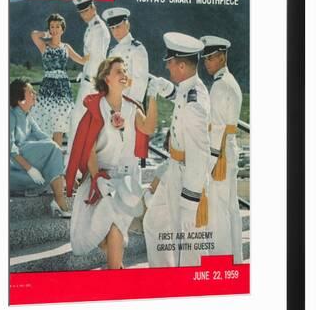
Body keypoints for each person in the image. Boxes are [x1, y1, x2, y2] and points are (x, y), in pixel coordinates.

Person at [65, 57, 158, 269]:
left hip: (126, 178)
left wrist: (152, 97)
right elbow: (88, 148)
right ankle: (116, 269)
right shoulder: (96, 107)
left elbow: (148, 128)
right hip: (100, 177)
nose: (124, 74)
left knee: (115, 225)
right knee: (103, 232)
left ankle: (114, 272)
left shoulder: (133, 108)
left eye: (126, 70)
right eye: (119, 71)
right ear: (106, 77)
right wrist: (97, 177)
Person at [143, 32, 211, 267]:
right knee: (153, 223)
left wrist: (191, 198)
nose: (168, 68)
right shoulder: (187, 88)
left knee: (187, 245)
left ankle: (187, 290)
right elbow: (180, 99)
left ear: (182, 65)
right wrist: (168, 90)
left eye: (170, 64)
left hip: (185, 178)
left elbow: (200, 153)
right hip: (173, 169)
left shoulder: (195, 103)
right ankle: (164, 280)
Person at [201, 35, 243, 263]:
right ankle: (234, 259)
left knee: (217, 211)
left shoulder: (218, 86)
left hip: (221, 155)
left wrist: (210, 162)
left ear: (222, 57)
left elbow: (216, 129)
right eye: (205, 58)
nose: (207, 63)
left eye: (211, 58)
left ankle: (221, 261)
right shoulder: (231, 81)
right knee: (230, 208)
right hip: (230, 149)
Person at [10, 78, 71, 218]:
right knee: (51, 148)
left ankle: (58, 195)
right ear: (20, 100)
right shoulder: (10, 115)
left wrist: (61, 164)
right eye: (31, 92)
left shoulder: (27, 116)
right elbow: (9, 147)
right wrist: (30, 169)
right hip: (14, 166)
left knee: (53, 148)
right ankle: (60, 200)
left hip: (23, 161)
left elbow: (44, 138)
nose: (35, 93)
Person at [30, 13, 88, 147]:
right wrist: (47, 35)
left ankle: (56, 158)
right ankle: (47, 158)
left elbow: (82, 60)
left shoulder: (66, 47)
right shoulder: (44, 46)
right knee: (45, 126)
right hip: (47, 89)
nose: (55, 29)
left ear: (63, 29)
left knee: (59, 127)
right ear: (49, 29)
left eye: (57, 26)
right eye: (52, 27)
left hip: (62, 90)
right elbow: (34, 34)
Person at [67, 0, 111, 153]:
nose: (84, 15)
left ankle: (72, 165)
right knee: (82, 123)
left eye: (87, 10)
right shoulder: (92, 26)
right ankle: (77, 164)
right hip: (90, 79)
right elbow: (91, 58)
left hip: (92, 83)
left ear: (94, 8)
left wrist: (91, 80)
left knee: (77, 121)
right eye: (82, 12)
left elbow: (98, 59)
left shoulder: (98, 29)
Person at [104, 7, 149, 103]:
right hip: (112, 102)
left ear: (127, 25)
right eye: (112, 28)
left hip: (129, 102)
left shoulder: (137, 49)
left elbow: (139, 82)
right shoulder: (113, 51)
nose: (115, 31)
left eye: (118, 26)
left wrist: (133, 106)